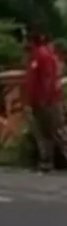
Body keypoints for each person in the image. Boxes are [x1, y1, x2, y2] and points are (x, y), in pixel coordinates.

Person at [24, 29, 67, 173]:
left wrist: (44, 98)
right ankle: (46, 162)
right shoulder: (36, 55)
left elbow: (47, 78)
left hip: (48, 101)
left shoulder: (43, 55)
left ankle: (49, 160)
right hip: (39, 100)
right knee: (43, 133)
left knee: (56, 131)